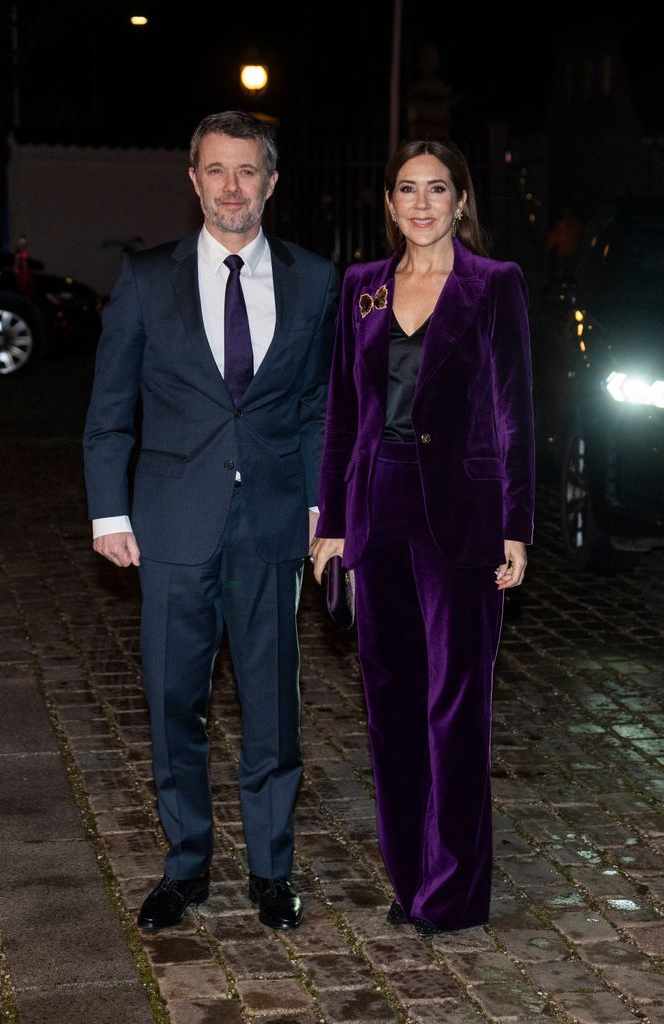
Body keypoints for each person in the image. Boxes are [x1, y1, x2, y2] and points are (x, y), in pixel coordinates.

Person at [83, 111, 338, 932]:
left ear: (271, 182)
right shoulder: (146, 278)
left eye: (248, 171)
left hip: (270, 528)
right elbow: (110, 410)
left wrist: (316, 507)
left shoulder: (314, 280)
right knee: (173, 705)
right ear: (194, 180)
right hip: (170, 526)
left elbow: (317, 407)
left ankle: (272, 872)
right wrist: (107, 511)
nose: (232, 187)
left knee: (273, 711)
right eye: (216, 171)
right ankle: (185, 868)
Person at [312, 139, 534, 936]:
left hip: (463, 519)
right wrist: (333, 526)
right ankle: (410, 880)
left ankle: (456, 889)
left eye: (438, 189)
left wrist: (516, 525)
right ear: (388, 202)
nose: (422, 204)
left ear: (462, 201)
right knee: (392, 707)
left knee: (456, 707)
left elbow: (514, 413)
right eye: (407, 189)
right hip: (378, 513)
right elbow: (344, 415)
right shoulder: (361, 290)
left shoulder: (494, 286)